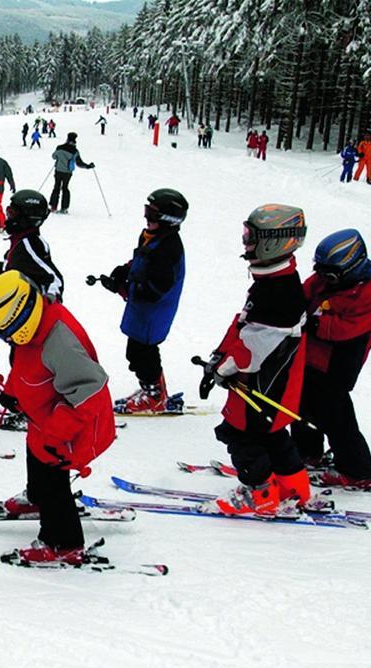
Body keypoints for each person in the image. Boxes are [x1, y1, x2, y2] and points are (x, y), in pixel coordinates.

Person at [0, 271, 116, 566]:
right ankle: (37, 497)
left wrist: (56, 434)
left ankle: (63, 542)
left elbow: (91, 390)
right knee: (35, 458)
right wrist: (14, 392)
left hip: (70, 430)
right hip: (44, 422)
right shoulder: (34, 328)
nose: (5, 339)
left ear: (19, 321)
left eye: (3, 332)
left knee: (54, 482)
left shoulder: (59, 342)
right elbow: (26, 362)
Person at [199, 204, 310, 515]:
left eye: (251, 237)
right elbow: (247, 328)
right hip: (276, 385)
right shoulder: (278, 281)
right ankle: (294, 487)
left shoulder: (276, 292)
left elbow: (251, 350)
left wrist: (222, 368)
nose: (245, 243)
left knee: (240, 434)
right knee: (271, 432)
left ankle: (260, 492)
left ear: (273, 241)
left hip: (262, 386)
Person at [292, 230, 371, 489]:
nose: (322, 278)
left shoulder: (366, 296)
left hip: (338, 367)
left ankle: (357, 471)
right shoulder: (324, 282)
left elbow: (347, 328)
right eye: (319, 271)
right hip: (310, 358)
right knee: (300, 406)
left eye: (329, 274)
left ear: (350, 269)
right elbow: (304, 294)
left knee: (336, 416)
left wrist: (315, 322)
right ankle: (307, 452)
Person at [96, 189, 188, 413]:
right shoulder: (153, 236)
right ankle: (154, 389)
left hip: (154, 312)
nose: (146, 219)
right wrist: (124, 271)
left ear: (168, 220)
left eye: (152, 215)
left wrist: (125, 287)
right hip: (142, 310)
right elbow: (141, 258)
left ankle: (154, 395)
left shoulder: (169, 249)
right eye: (146, 212)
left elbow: (155, 289)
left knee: (141, 353)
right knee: (137, 352)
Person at [0, 189, 64, 301]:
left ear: (27, 219)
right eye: (8, 212)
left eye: (12, 214)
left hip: (33, 312)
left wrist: (50, 299)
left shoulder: (30, 245)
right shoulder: (19, 242)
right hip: (18, 309)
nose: (8, 219)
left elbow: (55, 279)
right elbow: (6, 272)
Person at [48, 132, 94, 214]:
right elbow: (79, 163)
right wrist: (88, 166)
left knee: (56, 187)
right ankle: (64, 208)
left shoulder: (59, 147)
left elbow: (54, 157)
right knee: (65, 188)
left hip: (58, 171)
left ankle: (53, 207)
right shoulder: (75, 151)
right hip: (67, 173)